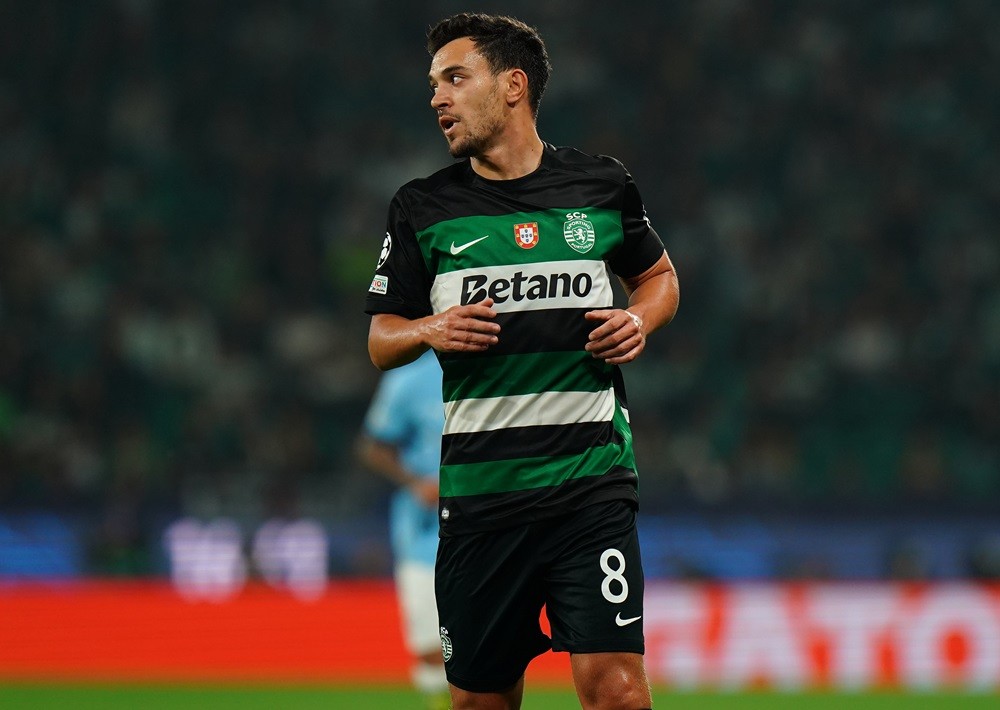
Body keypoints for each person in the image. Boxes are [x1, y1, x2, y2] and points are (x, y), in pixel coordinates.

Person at [364, 12, 679, 710]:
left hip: (589, 489)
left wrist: (638, 318)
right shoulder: (423, 207)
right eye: (433, 84)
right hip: (480, 503)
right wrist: (429, 327)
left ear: (512, 86)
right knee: (482, 702)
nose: (436, 98)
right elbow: (381, 340)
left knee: (619, 691)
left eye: (454, 78)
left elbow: (660, 278)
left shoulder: (601, 186)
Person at [357, 349, 449, 710]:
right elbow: (373, 445)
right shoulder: (408, 378)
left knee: (485, 642)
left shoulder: (497, 367)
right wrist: (414, 482)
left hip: (487, 524)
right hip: (423, 533)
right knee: (429, 644)